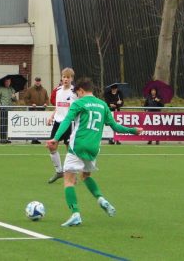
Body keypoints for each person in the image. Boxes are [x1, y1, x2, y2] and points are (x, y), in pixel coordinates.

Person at [47, 77, 143, 227]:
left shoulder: (78, 103)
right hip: (94, 148)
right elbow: (115, 127)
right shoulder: (103, 105)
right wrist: (133, 130)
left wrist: (55, 138)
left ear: (81, 91)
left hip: (78, 145)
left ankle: (75, 214)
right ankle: (101, 199)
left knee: (68, 180)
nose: (77, 96)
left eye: (77, 93)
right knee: (85, 176)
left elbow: (66, 120)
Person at [46, 68, 76, 183]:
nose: (66, 79)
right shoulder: (58, 90)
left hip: (69, 123)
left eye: (68, 77)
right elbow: (58, 107)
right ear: (61, 78)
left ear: (72, 79)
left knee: (70, 150)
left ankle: (72, 174)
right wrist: (51, 116)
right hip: (58, 122)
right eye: (64, 77)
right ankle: (59, 171)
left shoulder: (75, 92)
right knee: (51, 146)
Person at [24, 77, 50, 144]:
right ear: (35, 81)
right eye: (36, 81)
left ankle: (36, 138)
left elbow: (47, 99)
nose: (38, 82)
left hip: (41, 110)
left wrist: (46, 104)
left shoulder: (44, 90)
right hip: (33, 110)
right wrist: (31, 104)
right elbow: (26, 99)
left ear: (40, 81)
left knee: (39, 125)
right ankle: (33, 139)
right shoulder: (30, 90)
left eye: (39, 81)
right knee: (33, 125)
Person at [0, 77, 17, 144]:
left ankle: (6, 138)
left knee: (7, 124)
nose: (7, 83)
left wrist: (14, 97)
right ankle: (2, 139)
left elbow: (15, 100)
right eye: (6, 81)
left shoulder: (12, 89)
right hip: (3, 109)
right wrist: (0, 106)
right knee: (2, 124)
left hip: (10, 109)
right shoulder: (0, 89)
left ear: (10, 82)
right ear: (4, 82)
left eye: (9, 81)